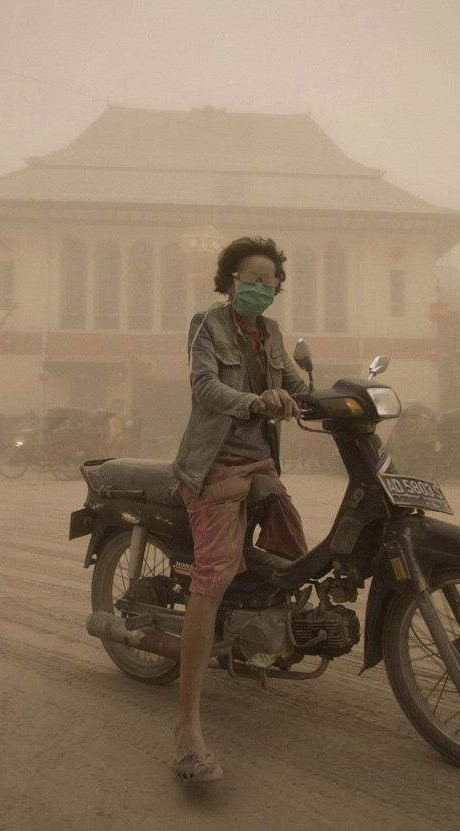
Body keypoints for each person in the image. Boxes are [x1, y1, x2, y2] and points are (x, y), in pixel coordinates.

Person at [168, 236, 310, 783]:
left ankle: (257, 642)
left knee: (295, 553)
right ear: (230, 282)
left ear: (277, 287)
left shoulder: (273, 335)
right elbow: (204, 386)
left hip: (260, 466)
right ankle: (186, 729)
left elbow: (299, 387)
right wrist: (255, 402)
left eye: (268, 279)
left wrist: (341, 396)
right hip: (215, 466)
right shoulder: (207, 324)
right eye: (248, 278)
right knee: (215, 573)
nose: (259, 286)